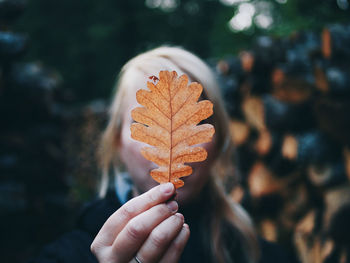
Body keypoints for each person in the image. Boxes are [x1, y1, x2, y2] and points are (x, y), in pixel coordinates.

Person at [29, 46, 291, 263]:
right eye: (144, 126)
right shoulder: (67, 255)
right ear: (117, 141)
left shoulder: (263, 256)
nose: (162, 146)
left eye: (197, 122)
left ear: (220, 138)